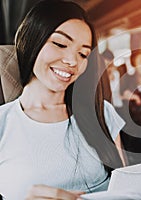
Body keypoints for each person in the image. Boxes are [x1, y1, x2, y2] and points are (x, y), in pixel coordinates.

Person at [0, 1, 127, 199]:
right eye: (60, 44)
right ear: (32, 39)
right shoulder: (3, 122)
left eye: (83, 54)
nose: (72, 61)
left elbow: (126, 188)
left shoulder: (102, 113)